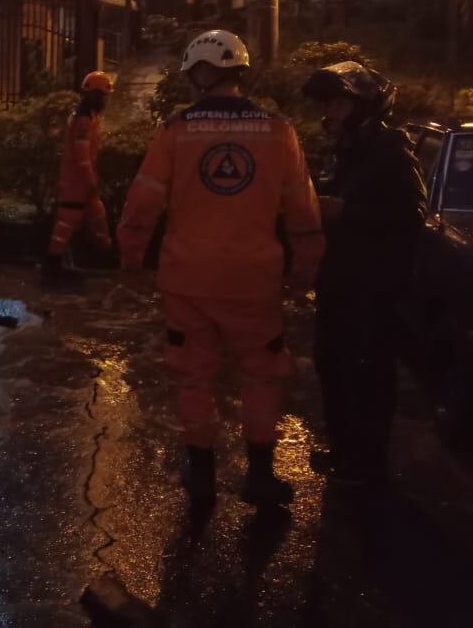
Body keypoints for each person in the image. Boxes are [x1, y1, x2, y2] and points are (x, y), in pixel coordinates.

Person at [118, 30, 324, 507]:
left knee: (194, 375)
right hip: (254, 281)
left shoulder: (177, 131)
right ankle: (259, 475)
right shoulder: (278, 130)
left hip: (187, 279)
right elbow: (303, 209)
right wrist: (307, 266)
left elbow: (142, 203)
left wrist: (131, 259)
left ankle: (203, 472)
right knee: (262, 373)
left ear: (202, 74)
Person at [302, 61, 426, 487]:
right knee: (331, 363)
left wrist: (347, 211)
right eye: (329, 103)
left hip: (373, 284)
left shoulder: (390, 147)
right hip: (338, 277)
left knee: (368, 371)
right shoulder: (344, 148)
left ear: (363, 105)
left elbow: (414, 212)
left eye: (339, 102)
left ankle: (368, 464)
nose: (331, 112)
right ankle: (344, 451)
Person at [44, 70, 114, 275]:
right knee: (68, 220)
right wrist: (91, 179)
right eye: (103, 96)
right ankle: (53, 262)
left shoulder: (86, 115)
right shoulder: (84, 119)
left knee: (96, 215)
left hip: (79, 178)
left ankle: (106, 256)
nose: (104, 100)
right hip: (77, 180)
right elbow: (81, 153)